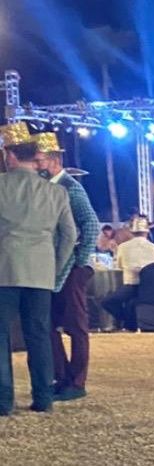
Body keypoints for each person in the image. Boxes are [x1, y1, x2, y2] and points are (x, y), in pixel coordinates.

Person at [0, 123, 77, 415]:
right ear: (34, 157)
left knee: (1, 335)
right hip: (41, 272)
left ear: (9, 156)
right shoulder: (56, 193)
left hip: (4, 270)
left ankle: (3, 401)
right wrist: (56, 267)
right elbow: (70, 236)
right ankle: (43, 398)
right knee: (39, 334)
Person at [31, 132, 100, 402]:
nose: (36, 166)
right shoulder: (53, 188)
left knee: (75, 325)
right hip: (57, 267)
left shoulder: (71, 188)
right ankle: (62, 376)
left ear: (54, 160)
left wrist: (79, 261)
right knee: (49, 324)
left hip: (71, 268)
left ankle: (76, 380)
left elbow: (91, 225)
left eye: (39, 160)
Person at [101, 217, 154, 331]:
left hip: (131, 286)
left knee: (107, 302)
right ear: (146, 232)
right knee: (132, 302)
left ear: (132, 232)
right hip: (152, 288)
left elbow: (118, 267)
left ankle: (125, 320)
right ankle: (130, 321)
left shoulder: (123, 247)